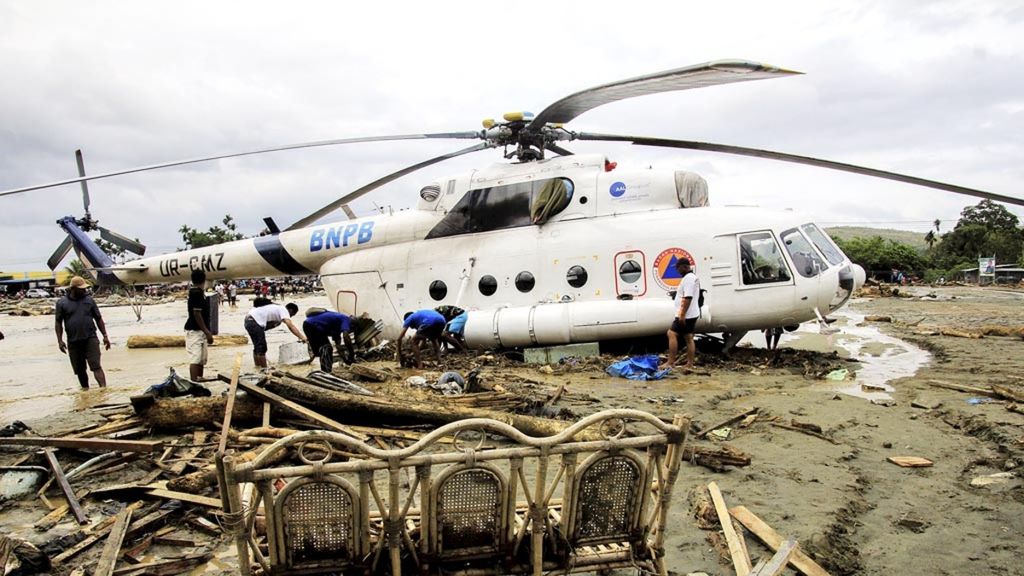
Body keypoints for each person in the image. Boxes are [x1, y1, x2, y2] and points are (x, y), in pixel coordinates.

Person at [55, 276, 110, 388]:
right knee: (80, 370)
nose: (84, 290)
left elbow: (98, 319)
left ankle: (104, 390)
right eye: (81, 288)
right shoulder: (62, 303)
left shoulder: (89, 300)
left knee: (96, 366)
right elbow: (58, 323)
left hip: (90, 338)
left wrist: (105, 336)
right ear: (73, 289)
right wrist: (60, 341)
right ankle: (85, 393)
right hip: (73, 341)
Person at [662, 259, 701, 371]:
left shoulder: (688, 279)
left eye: (678, 268)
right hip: (692, 313)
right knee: (688, 337)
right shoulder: (692, 277)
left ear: (684, 267)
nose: (677, 270)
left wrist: (682, 314)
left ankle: (670, 362)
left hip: (687, 314)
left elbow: (688, 297)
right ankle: (689, 364)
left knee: (671, 334)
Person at [244, 301, 306, 369]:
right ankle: (265, 370)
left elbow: (265, 327)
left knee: (258, 348)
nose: (290, 316)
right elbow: (290, 326)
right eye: (292, 314)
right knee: (262, 348)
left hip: (248, 321)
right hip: (254, 321)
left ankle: (258, 368)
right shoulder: (284, 310)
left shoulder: (277, 310)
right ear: (290, 310)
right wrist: (302, 337)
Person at [184, 269, 215, 381]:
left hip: (200, 330)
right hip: (194, 330)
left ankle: (199, 380)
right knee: (196, 359)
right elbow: (197, 314)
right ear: (204, 279)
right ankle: (195, 383)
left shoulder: (200, 293)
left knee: (201, 359)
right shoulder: (196, 293)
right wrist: (207, 332)